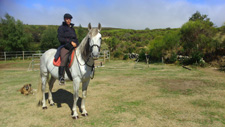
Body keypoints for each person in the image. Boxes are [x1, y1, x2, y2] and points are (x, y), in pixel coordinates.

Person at [57, 13, 79, 85]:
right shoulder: (61, 28)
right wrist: (70, 42)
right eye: (67, 19)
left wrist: (77, 44)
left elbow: (75, 38)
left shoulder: (72, 29)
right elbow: (60, 39)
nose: (68, 20)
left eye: (69, 19)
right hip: (65, 46)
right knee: (64, 58)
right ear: (64, 19)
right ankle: (61, 77)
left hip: (74, 46)